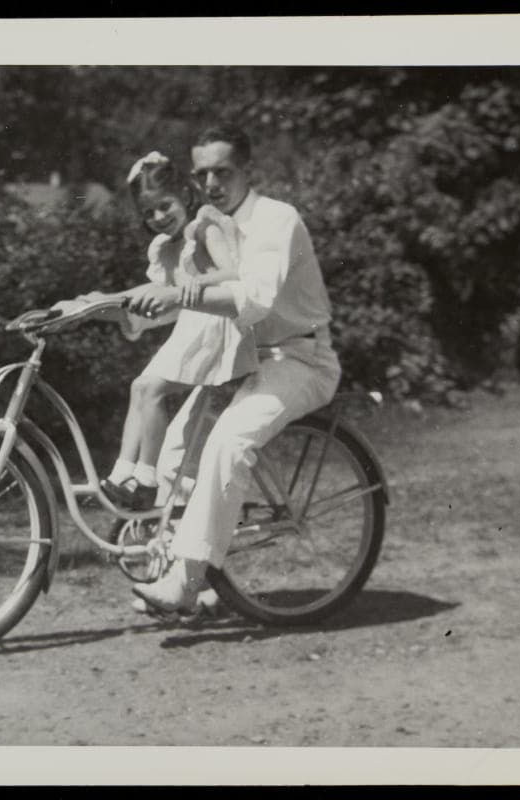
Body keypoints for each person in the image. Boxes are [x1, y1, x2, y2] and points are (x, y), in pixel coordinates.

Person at [118, 124, 343, 614]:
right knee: (175, 455)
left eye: (224, 171)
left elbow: (254, 299)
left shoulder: (276, 220)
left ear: (249, 170)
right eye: (202, 172)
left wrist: (177, 294)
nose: (212, 182)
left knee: (227, 442)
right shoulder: (204, 226)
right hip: (239, 362)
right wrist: (128, 310)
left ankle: (187, 577)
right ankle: (194, 586)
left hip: (299, 359)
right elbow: (196, 298)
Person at [99, 150, 260, 511]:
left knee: (154, 389)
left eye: (165, 206)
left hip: (217, 327)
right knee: (139, 387)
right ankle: (122, 471)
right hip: (191, 329)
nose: (158, 217)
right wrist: (102, 300)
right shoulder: (164, 248)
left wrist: (200, 283)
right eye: (149, 213)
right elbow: (153, 293)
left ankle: (146, 476)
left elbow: (236, 273)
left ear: (185, 195)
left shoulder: (203, 226)